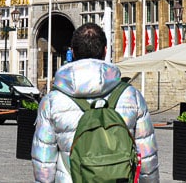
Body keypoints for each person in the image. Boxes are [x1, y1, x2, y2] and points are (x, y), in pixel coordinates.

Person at [31, 23, 159, 182]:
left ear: (73, 52)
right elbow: (147, 157)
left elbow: (44, 164)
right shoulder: (132, 96)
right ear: (105, 51)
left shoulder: (51, 102)